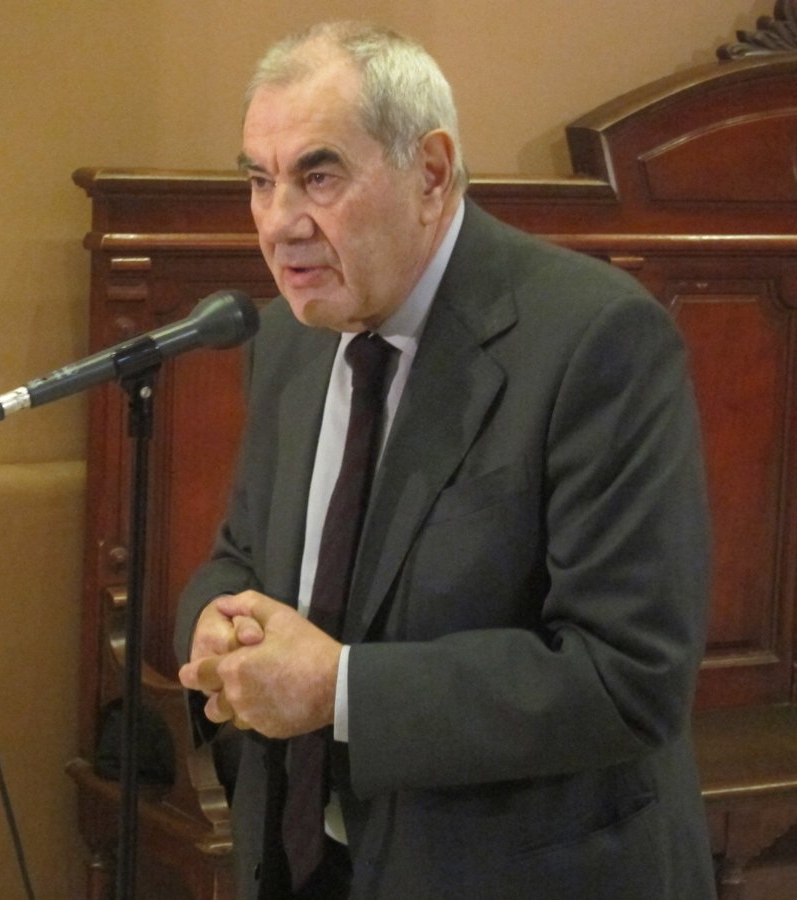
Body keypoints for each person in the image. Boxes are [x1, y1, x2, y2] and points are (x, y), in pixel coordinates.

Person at [174, 20, 715, 900]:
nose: (279, 224)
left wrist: (340, 690)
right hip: (311, 859)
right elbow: (241, 555)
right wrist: (212, 622)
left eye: (319, 177)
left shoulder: (597, 339)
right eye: (260, 182)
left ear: (430, 172)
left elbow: (627, 675)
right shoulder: (287, 338)